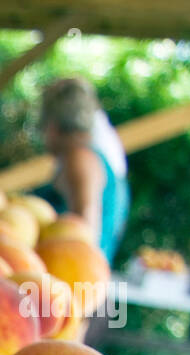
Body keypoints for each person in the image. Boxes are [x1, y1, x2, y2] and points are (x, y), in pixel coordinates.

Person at [36, 77, 130, 262]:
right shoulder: (96, 157)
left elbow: (84, 231)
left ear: (52, 126)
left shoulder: (79, 159)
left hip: (73, 281)